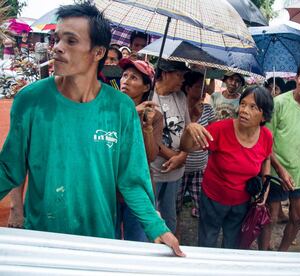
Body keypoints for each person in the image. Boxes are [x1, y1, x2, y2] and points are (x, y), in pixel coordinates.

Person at [0, 3, 183, 256]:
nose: (57, 48)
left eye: (71, 41)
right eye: (57, 39)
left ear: (98, 52)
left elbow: (131, 180)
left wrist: (156, 226)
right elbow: (9, 168)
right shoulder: (31, 100)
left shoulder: (119, 108)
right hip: (42, 238)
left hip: (98, 242)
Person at [180, 86, 273, 249]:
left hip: (242, 203)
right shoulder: (220, 129)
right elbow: (187, 147)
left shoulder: (266, 136)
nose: (244, 110)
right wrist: (189, 130)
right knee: (208, 240)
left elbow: (266, 160)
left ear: (264, 115)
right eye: (243, 104)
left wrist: (265, 190)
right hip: (213, 199)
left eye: (253, 107)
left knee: (232, 244)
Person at [259, 60, 300, 251]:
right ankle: (264, 256)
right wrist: (280, 170)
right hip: (275, 171)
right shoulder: (279, 103)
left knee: (298, 217)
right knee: (269, 219)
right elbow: (266, 144)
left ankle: (281, 254)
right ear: (296, 78)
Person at [116, 58, 163, 241]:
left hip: (138, 186)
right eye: (125, 75)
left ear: (146, 88)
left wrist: (148, 127)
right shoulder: (112, 108)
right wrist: (132, 113)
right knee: (108, 240)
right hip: (110, 185)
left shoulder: (154, 116)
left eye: (134, 77)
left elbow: (150, 156)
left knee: (138, 241)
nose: (126, 80)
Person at [151, 59, 190, 234]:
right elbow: (149, 138)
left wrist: (183, 155)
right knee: (152, 214)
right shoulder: (149, 97)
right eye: (179, 75)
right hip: (154, 170)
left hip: (176, 171)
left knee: (170, 215)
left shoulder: (180, 97)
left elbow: (187, 128)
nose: (182, 80)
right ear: (165, 74)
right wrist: (174, 157)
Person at [176, 71, 215, 221]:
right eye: (199, 87)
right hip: (180, 168)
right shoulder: (179, 108)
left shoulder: (208, 110)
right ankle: (176, 233)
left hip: (200, 168)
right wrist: (193, 116)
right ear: (188, 88)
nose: (204, 91)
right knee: (175, 206)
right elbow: (180, 138)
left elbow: (212, 137)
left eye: (204, 87)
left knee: (202, 206)